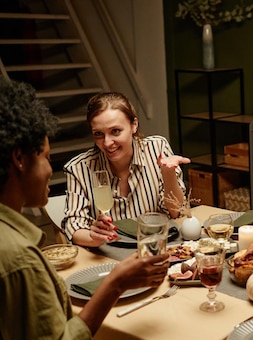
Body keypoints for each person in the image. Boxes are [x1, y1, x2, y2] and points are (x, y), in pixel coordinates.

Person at [0, 79, 171, 340]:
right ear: (19, 159)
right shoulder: (17, 256)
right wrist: (115, 283)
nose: (50, 169)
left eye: (116, 131)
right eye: (46, 157)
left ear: (134, 127)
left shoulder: (16, 238)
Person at [63, 92, 190, 247]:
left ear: (134, 125)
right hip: (108, 253)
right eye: (98, 134)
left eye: (115, 131)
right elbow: (74, 225)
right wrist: (93, 237)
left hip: (156, 247)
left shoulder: (157, 148)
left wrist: (168, 173)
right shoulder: (79, 169)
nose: (108, 142)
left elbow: (175, 212)